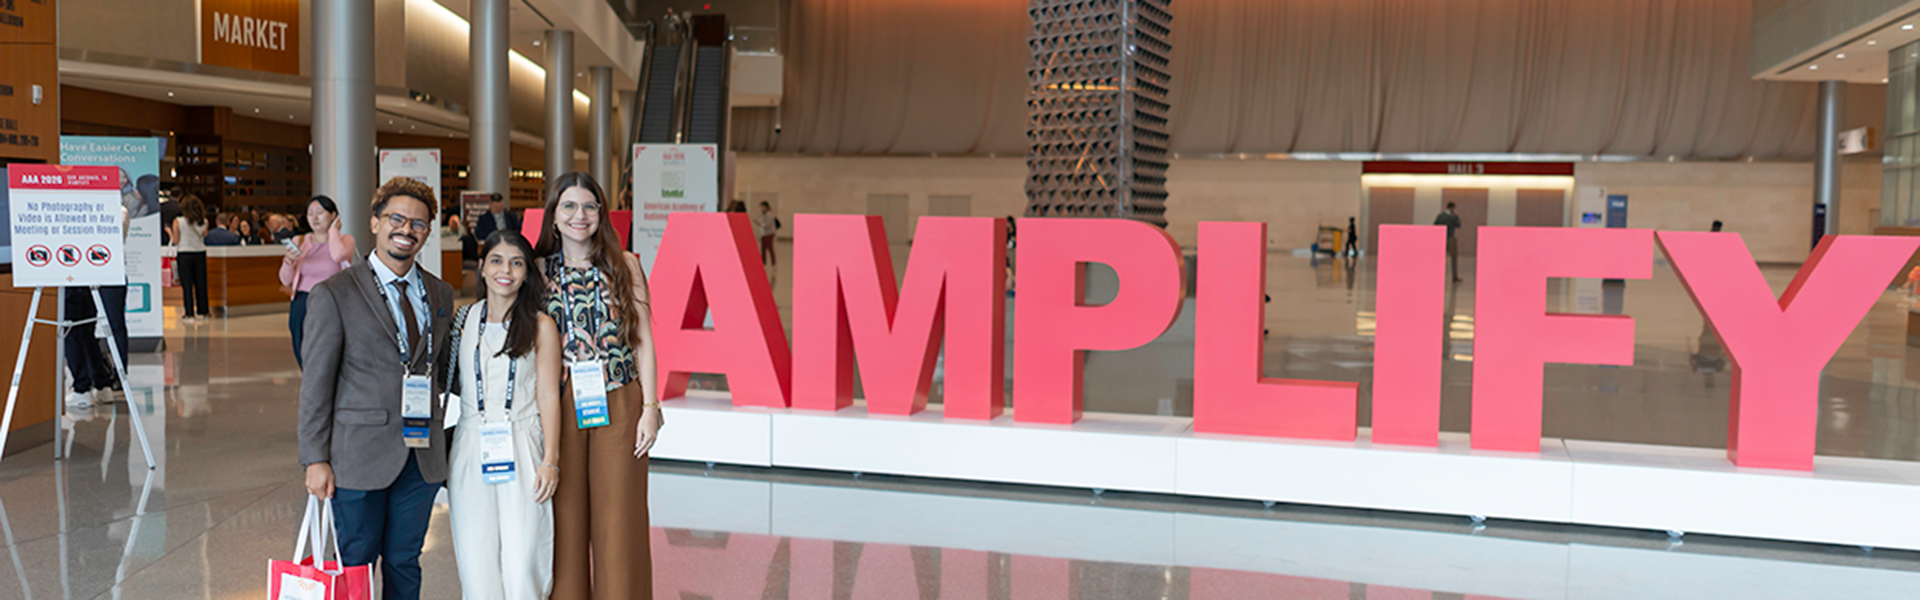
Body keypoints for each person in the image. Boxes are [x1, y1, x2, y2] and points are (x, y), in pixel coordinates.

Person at [299, 177, 455, 600]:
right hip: (358, 457)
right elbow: (316, 383)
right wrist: (315, 457)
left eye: (418, 223)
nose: (406, 230)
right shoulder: (334, 294)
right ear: (374, 222)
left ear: (428, 231)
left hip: (420, 458)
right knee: (357, 563)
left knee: (405, 561)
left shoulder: (440, 293)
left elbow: (444, 369)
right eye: (396, 219)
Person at [533, 172, 661, 600]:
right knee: (564, 519)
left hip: (620, 398)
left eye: (589, 206)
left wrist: (651, 407)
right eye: (569, 206)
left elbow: (643, 339)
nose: (579, 215)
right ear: (554, 216)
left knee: (619, 521)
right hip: (559, 402)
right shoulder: (537, 270)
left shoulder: (625, 264)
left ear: (601, 214)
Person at [446, 230, 563, 599]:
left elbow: (549, 395)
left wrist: (551, 460)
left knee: (524, 555)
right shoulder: (464, 319)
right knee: (475, 556)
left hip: (523, 441)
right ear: (481, 268)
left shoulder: (541, 325)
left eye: (516, 263)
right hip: (470, 442)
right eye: (496, 261)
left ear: (527, 273)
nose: (505, 271)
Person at [281, 196, 357, 367]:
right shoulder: (299, 241)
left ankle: (324, 379)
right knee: (300, 345)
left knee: (328, 346)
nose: (314, 218)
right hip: (302, 300)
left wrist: (334, 231)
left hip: (331, 301)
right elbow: (285, 280)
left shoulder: (346, 241)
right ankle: (309, 378)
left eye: (319, 213)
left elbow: (338, 256)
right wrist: (288, 261)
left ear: (333, 215)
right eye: (310, 214)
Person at [174, 195, 211, 322]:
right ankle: (204, 312)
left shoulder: (178, 221)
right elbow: (203, 235)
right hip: (200, 253)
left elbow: (176, 240)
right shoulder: (205, 222)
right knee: (201, 283)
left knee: (187, 285)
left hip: (184, 253)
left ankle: (189, 314)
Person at [1433, 202, 1463, 282]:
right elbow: (1458, 225)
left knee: (1438, 259)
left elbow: (1435, 225)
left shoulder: (1440, 216)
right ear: (1453, 208)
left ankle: (1436, 276)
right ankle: (1454, 277)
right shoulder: (1452, 217)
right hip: (1450, 239)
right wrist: (1456, 216)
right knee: (1453, 258)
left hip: (1440, 239)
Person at [754, 201, 778, 266]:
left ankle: (773, 262)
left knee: (770, 248)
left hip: (769, 233)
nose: (761, 208)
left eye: (763, 207)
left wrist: (760, 224)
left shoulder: (769, 215)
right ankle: (763, 262)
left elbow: (767, 224)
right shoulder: (764, 215)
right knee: (763, 248)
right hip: (764, 234)